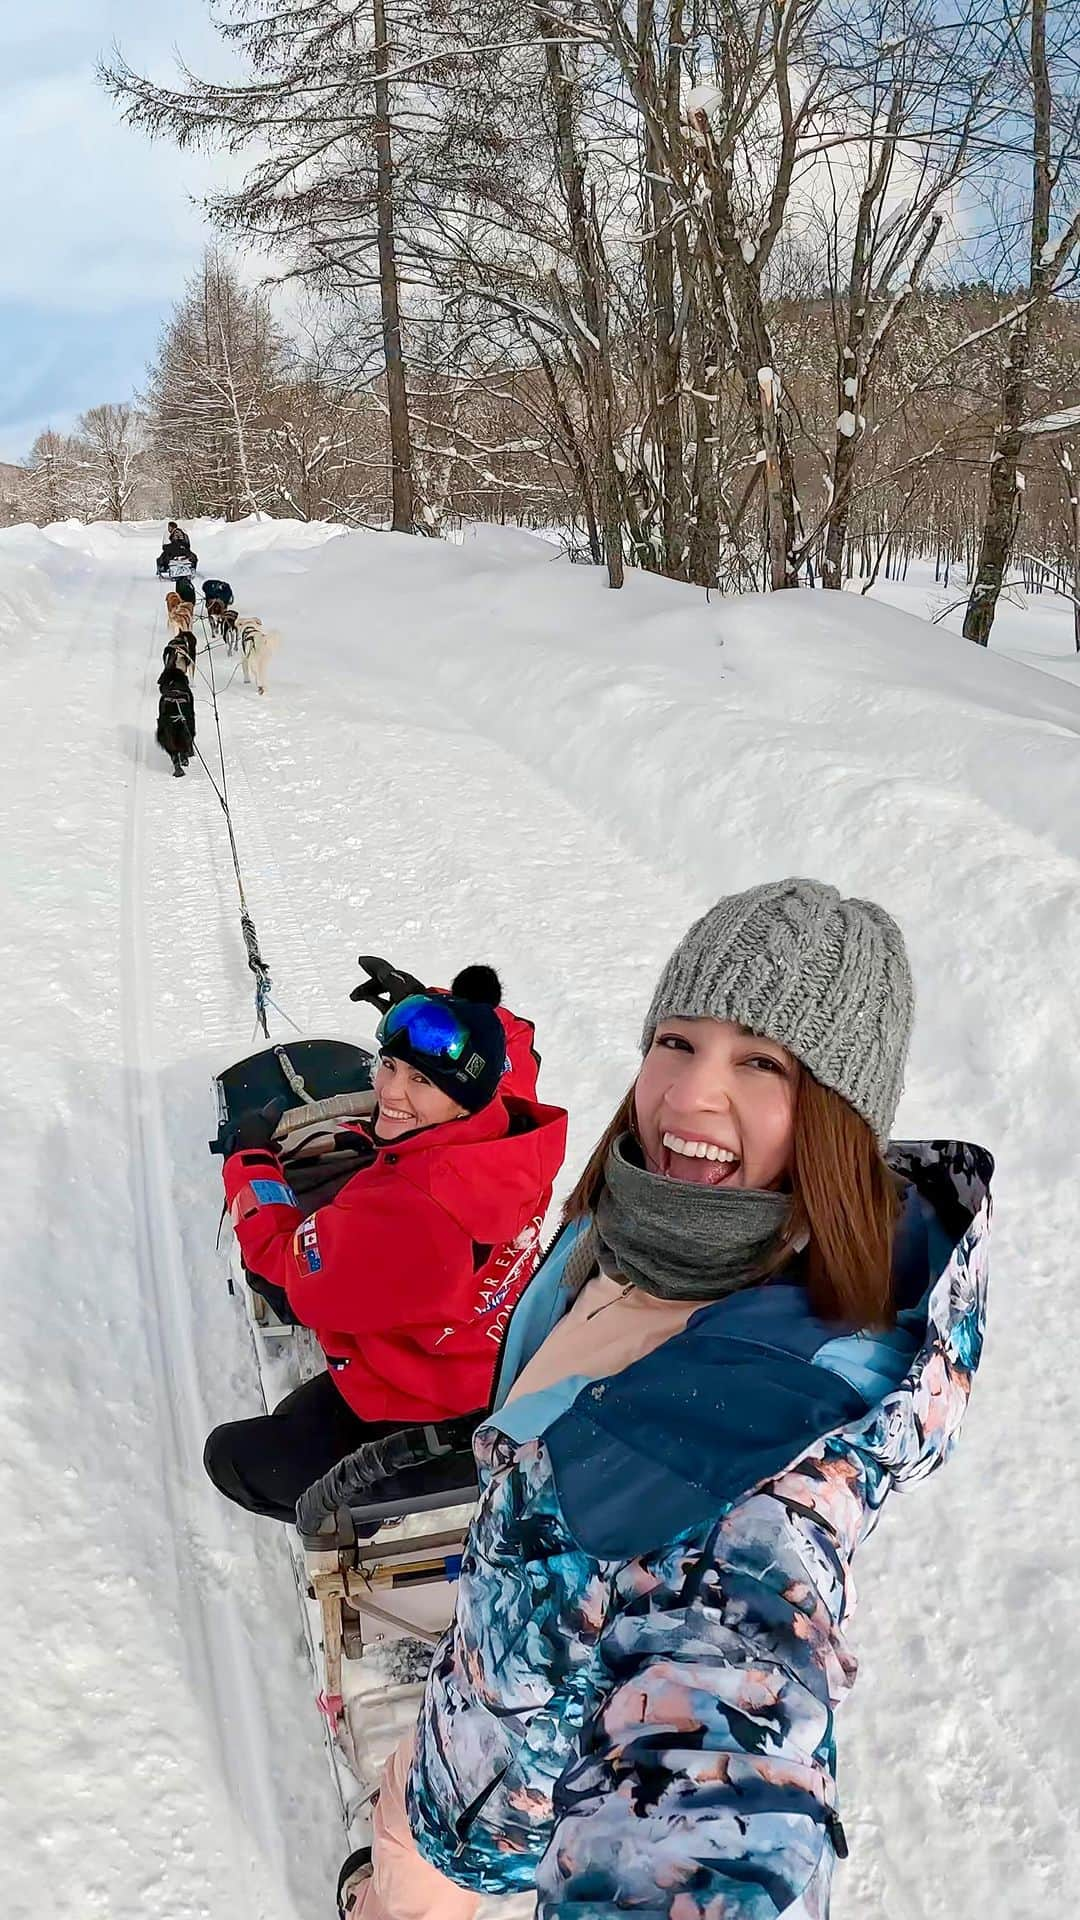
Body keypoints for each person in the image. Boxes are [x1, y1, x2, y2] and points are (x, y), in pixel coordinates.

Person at [337, 879, 993, 1920]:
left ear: (838, 1114)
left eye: (762, 1063)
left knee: (408, 1875)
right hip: (483, 1699)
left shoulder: (758, 1483)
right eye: (676, 1041)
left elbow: (722, 1759)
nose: (689, 1097)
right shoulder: (644, 1223)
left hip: (512, 1803)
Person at [204, 965, 567, 1524]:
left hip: (420, 1410)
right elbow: (511, 1041)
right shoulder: (510, 1126)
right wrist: (437, 1006)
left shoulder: (404, 1214)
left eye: (421, 1082)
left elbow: (283, 1268)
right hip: (499, 1363)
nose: (391, 1092)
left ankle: (370, 1508)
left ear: (467, 1094)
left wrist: (250, 1163)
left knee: (233, 1458)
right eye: (390, 1066)